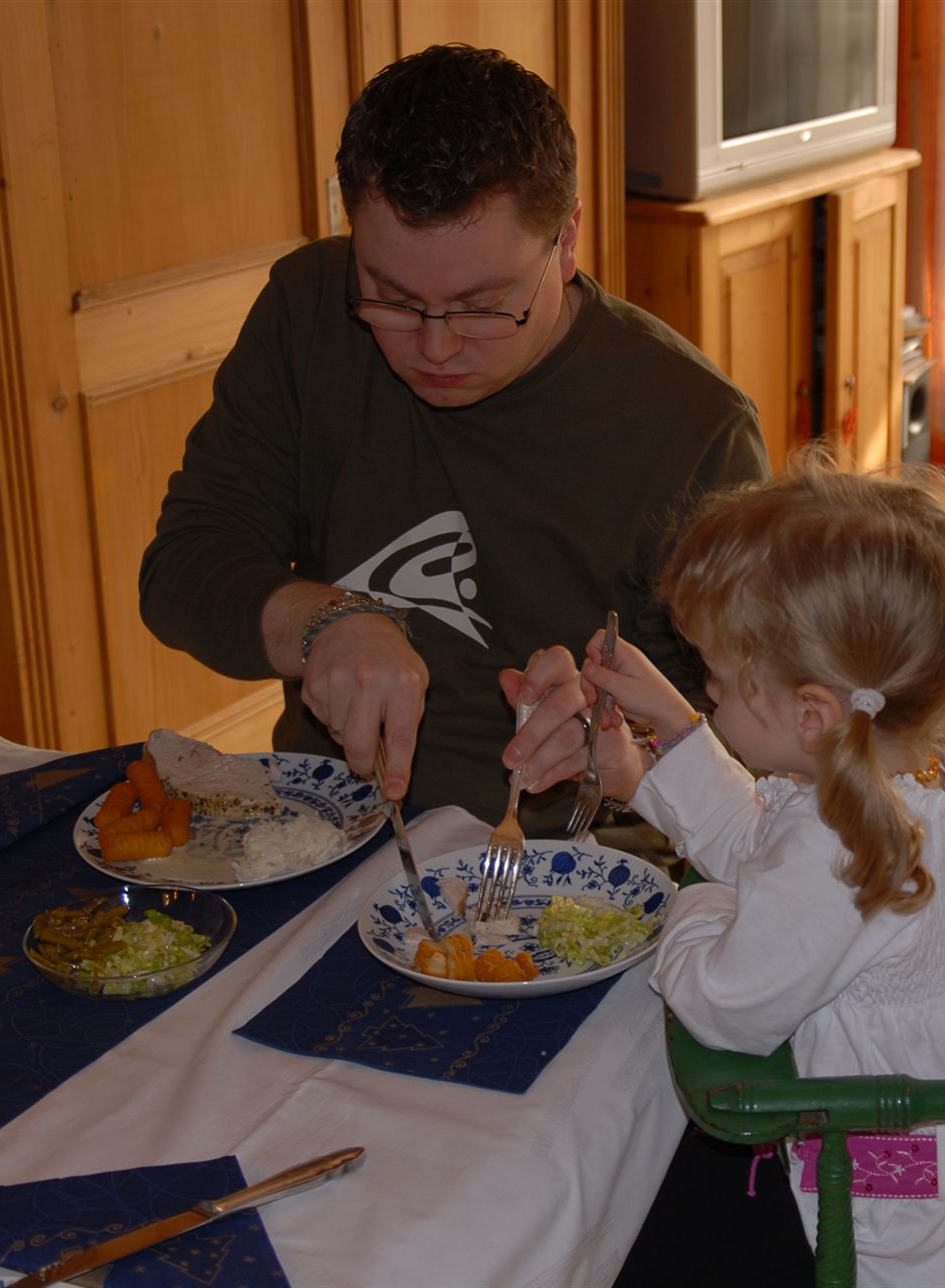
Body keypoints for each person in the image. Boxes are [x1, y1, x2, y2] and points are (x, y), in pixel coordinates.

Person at [138, 44, 767, 817]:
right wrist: (325, 623)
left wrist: (625, 749)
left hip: (578, 860)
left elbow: (757, 753)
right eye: (391, 297)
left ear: (568, 240)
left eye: (482, 304)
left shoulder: (695, 428)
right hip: (330, 830)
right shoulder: (308, 308)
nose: (434, 347)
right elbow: (184, 565)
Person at [584, 458, 945, 1288]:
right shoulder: (907, 777)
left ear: (813, 715)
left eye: (716, 681)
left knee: (628, 1208)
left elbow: (726, 1008)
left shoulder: (843, 844)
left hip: (897, 1219)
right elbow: (773, 852)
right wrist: (665, 746)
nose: (706, 693)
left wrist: (688, 907)